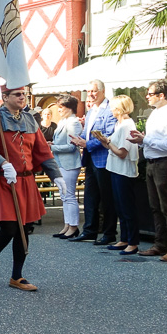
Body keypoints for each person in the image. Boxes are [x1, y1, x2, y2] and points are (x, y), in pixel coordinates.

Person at [0, 83, 61, 292]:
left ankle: (17, 276)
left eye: (23, 94)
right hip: (5, 181)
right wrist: (3, 164)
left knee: (25, 228)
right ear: (5, 96)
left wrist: (57, 176)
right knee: (9, 228)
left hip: (26, 181)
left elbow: (42, 151)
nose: (22, 97)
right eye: (17, 94)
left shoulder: (30, 119)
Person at [129, 78, 167, 262]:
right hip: (154, 161)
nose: (147, 96)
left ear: (162, 95)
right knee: (156, 206)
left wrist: (144, 140)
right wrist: (144, 139)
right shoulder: (156, 113)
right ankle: (160, 244)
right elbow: (158, 139)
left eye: (150, 93)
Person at [68, 79, 117, 245]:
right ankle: (89, 230)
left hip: (103, 159)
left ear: (103, 91)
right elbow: (87, 134)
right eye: (89, 92)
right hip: (89, 159)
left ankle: (109, 233)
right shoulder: (91, 111)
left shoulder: (110, 110)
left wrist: (86, 143)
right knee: (90, 198)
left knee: (106, 199)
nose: (91, 94)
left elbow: (108, 134)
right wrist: (79, 139)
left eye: (94, 91)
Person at [98, 95, 141, 255]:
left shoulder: (127, 126)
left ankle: (133, 241)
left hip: (124, 170)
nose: (111, 110)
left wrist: (108, 143)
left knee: (127, 206)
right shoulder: (119, 125)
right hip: (116, 168)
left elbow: (122, 152)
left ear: (119, 109)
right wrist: (105, 141)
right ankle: (124, 238)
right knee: (120, 206)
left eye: (113, 107)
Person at [49, 95, 82, 239]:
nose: (59, 110)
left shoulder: (73, 122)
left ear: (69, 108)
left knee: (69, 196)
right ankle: (67, 225)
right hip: (61, 162)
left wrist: (53, 147)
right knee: (64, 196)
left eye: (61, 107)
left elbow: (72, 146)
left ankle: (73, 226)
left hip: (69, 163)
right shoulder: (64, 121)